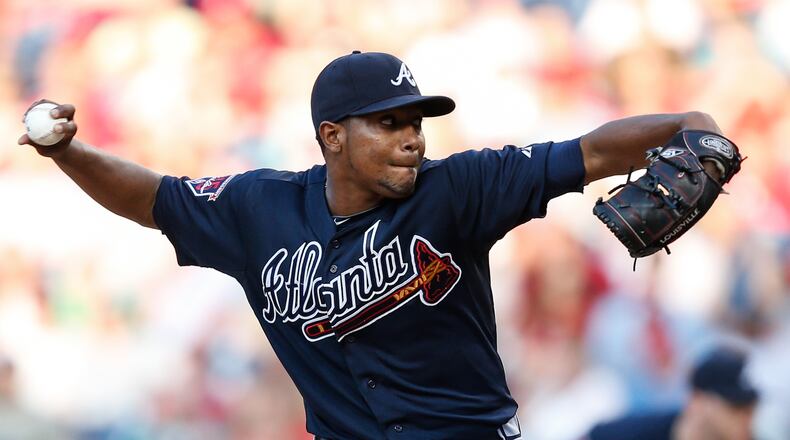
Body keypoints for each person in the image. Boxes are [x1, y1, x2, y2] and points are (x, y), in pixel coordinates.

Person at [18, 51, 727, 440]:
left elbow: (590, 150)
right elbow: (152, 199)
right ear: (332, 136)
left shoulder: (461, 188)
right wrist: (69, 153)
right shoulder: (258, 208)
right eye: (387, 123)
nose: (412, 136)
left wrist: (689, 122)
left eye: (415, 120)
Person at [584, 346, 759, 440]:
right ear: (696, 400)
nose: (746, 420)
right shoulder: (635, 433)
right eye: (735, 407)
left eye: (751, 410)